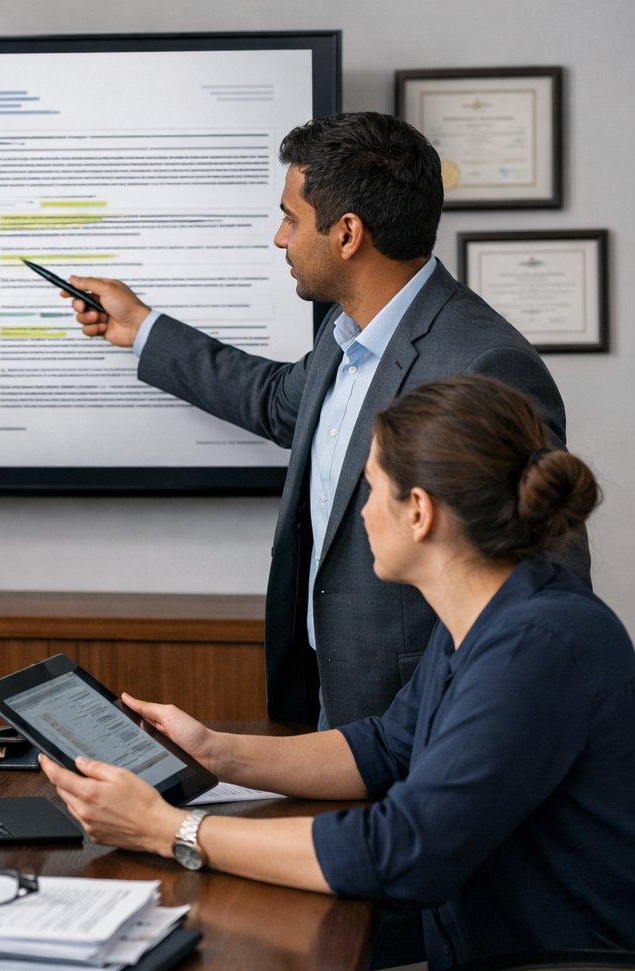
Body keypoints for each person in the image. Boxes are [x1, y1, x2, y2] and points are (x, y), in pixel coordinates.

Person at [41, 375, 635, 971]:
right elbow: (388, 746)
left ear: (419, 510)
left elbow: (399, 853)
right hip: (475, 963)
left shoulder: (538, 645)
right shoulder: (493, 610)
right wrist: (214, 753)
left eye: (371, 487)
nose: (360, 511)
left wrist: (168, 829)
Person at [64, 111, 583, 727]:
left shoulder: (484, 360)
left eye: (290, 219)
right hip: (326, 697)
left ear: (347, 233)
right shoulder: (345, 336)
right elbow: (277, 400)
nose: (280, 238)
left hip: (428, 716)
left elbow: (547, 584)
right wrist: (141, 327)